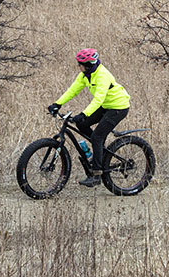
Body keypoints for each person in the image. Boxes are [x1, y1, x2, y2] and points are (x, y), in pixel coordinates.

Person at [48, 48, 131, 187]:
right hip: (106, 105)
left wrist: (84, 113)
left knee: (97, 137)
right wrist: (57, 103)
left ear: (88, 64)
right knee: (82, 125)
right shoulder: (85, 75)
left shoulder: (102, 75)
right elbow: (72, 90)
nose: (78, 66)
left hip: (118, 107)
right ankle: (100, 152)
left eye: (80, 63)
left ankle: (97, 174)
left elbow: (98, 99)